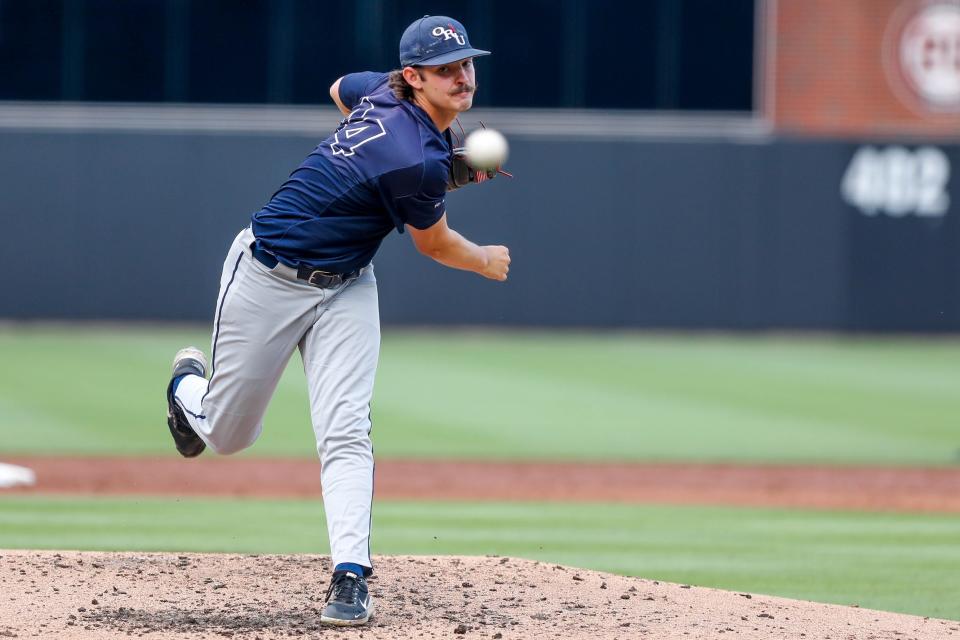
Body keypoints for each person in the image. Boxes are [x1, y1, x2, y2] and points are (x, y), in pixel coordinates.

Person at [163, 15, 508, 627]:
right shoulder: (413, 158)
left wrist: (427, 165)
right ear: (414, 76)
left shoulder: (383, 91)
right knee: (227, 435)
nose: (461, 77)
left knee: (346, 429)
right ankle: (187, 389)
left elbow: (339, 88)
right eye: (445, 69)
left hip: (347, 284)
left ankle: (350, 576)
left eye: (466, 64)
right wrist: (484, 260)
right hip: (266, 276)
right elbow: (434, 245)